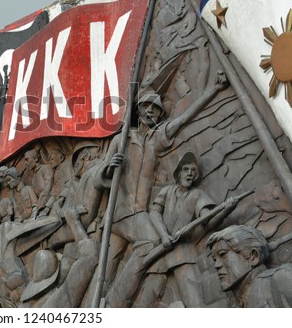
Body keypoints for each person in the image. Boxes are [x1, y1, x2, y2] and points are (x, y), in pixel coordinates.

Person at [97, 71, 229, 307]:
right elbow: (101, 177)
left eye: (155, 109)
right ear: (137, 109)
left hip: (138, 213)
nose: (150, 111)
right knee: (133, 253)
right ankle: (105, 308)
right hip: (120, 211)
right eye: (146, 107)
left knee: (125, 258)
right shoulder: (122, 139)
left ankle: (106, 306)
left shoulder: (156, 140)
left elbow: (184, 118)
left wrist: (214, 90)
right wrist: (109, 168)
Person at [138, 152, 236, 307]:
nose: (190, 173)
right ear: (178, 173)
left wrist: (226, 210)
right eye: (186, 169)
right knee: (144, 303)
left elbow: (209, 222)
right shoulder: (167, 191)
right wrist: (164, 236)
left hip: (182, 254)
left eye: (193, 171)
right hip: (159, 253)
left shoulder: (197, 195)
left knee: (194, 302)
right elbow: (155, 212)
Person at [207, 225, 292, 307]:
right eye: (215, 260)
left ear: (253, 256)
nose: (216, 265)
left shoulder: (280, 278)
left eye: (222, 254)